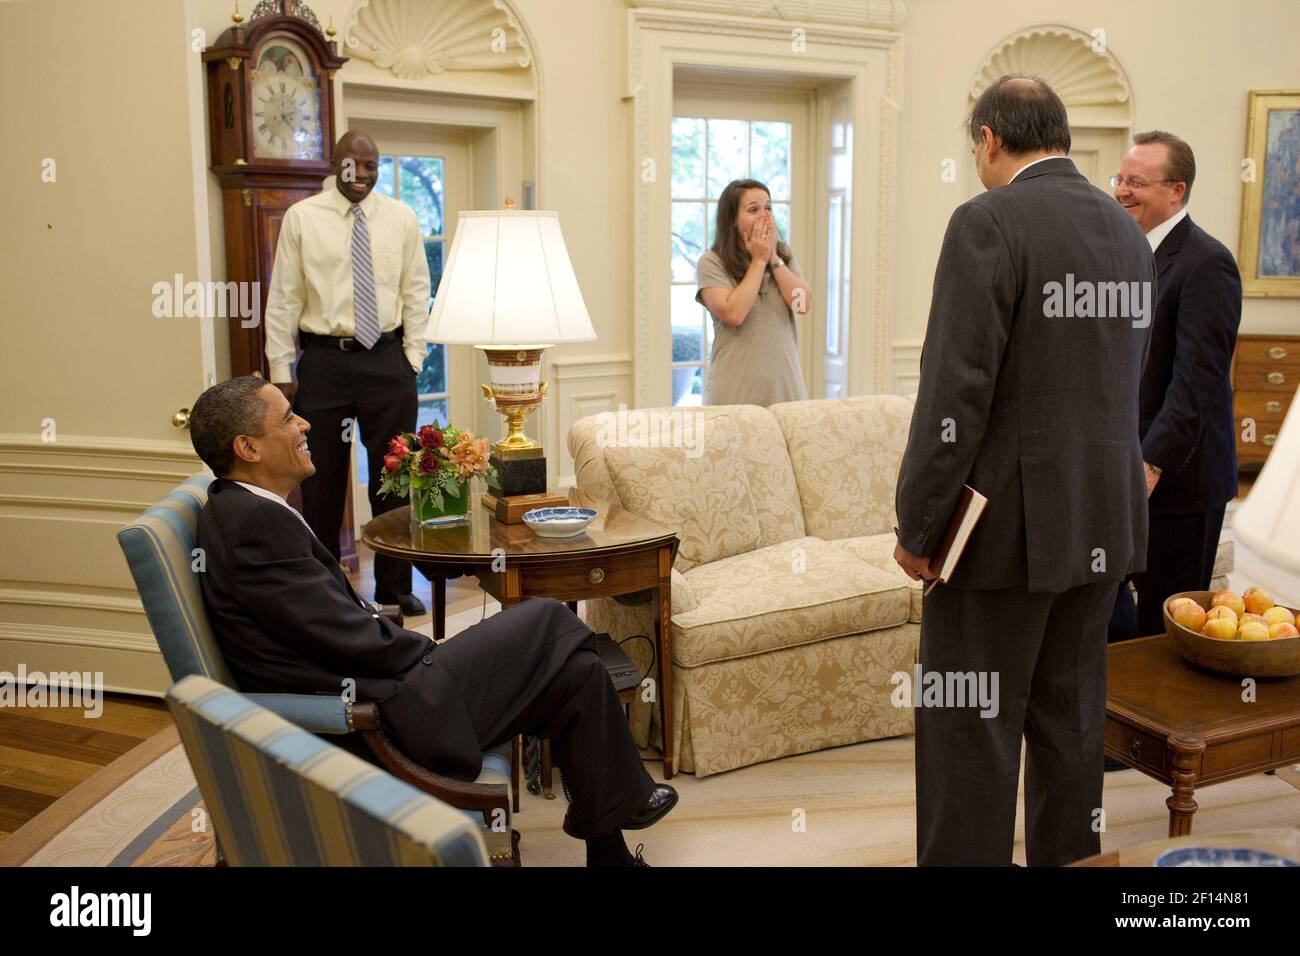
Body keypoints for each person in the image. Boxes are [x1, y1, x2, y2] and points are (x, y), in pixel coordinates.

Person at [188, 377, 678, 866]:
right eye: (288, 417)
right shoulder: (253, 524)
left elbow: (325, 625)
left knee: (578, 673)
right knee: (547, 617)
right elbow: (339, 636)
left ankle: (609, 857)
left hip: (387, 688)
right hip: (382, 718)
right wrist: (426, 652)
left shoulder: (246, 511)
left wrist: (412, 647)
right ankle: (627, 797)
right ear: (247, 447)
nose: (305, 423)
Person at [892, 75, 1153, 866]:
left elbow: (953, 396)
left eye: (973, 145)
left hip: (999, 535)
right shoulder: (1130, 234)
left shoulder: (987, 222)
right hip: (1102, 525)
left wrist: (918, 526)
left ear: (989, 140)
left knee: (971, 734)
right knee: (1071, 726)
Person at [263, 129, 429, 615]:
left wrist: (412, 358)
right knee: (319, 480)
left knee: (394, 478)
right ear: (336, 164)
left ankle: (395, 588)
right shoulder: (302, 218)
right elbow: (284, 298)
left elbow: (417, 290)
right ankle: (328, 590)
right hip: (324, 362)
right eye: (353, 164)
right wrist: (281, 369)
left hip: (387, 361)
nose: (363, 174)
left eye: (372, 165)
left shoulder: (402, 218)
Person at [1109, 131, 1243, 640]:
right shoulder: (1128, 254)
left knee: (1168, 627)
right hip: (1128, 467)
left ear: (1176, 190)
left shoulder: (1206, 263)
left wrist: (1150, 462)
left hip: (1181, 481)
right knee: (1111, 606)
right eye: (1120, 179)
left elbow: (1197, 381)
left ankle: (1162, 721)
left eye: (1136, 182)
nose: (1122, 190)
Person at [696, 179, 813, 406]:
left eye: (768, 208)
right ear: (732, 221)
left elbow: (803, 304)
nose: (764, 215)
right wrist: (758, 262)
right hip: (735, 391)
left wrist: (774, 259)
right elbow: (734, 313)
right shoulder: (711, 262)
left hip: (785, 387)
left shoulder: (784, 254)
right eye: (753, 209)